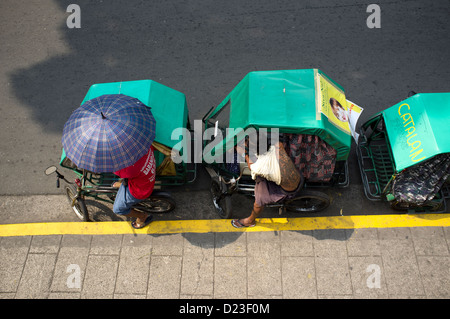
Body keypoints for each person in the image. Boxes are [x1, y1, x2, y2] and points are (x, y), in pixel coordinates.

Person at [231, 139, 303, 228]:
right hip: (295, 175)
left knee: (258, 202)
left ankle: (250, 221)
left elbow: (252, 167)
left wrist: (245, 153)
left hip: (285, 189)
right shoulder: (278, 144)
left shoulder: (259, 167)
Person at [112, 145, 156, 229]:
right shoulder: (144, 145)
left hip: (139, 190)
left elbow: (114, 170)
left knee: (117, 209)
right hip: (145, 177)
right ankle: (122, 185)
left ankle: (142, 216)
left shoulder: (130, 168)